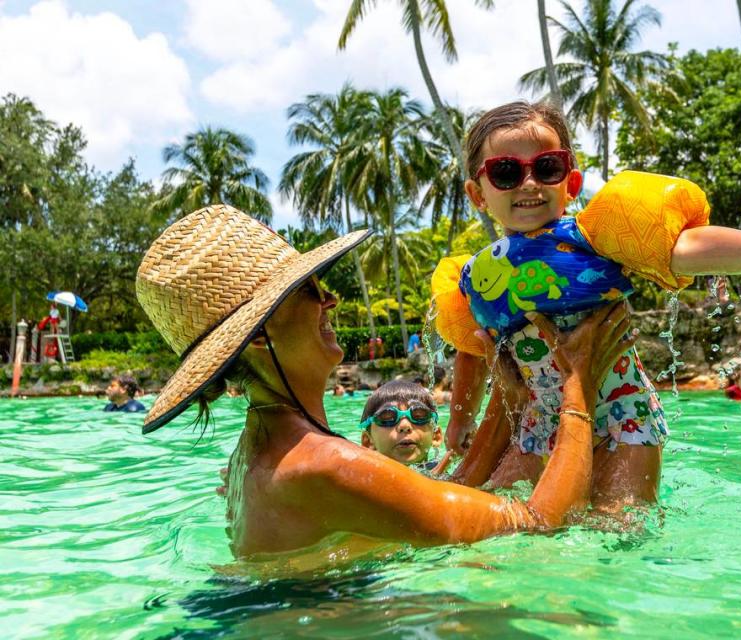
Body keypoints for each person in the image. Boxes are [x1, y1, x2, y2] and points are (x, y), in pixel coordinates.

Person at [137, 204, 634, 558]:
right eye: (310, 290)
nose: (329, 300)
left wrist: (511, 401)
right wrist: (577, 389)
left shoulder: (261, 451)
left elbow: (445, 493)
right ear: (261, 338)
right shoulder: (325, 465)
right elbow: (537, 525)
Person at [432, 100, 741, 507]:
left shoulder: (592, 237)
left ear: (571, 183)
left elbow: (684, 247)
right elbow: (472, 349)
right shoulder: (473, 278)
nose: (528, 182)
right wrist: (458, 421)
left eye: (547, 168)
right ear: (478, 193)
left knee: (619, 528)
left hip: (623, 413)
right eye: (506, 172)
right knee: (510, 526)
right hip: (539, 422)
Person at [360, 380, 442, 467]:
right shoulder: (360, 479)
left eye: (419, 416)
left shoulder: (451, 477)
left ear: (435, 436)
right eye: (387, 419)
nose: (405, 425)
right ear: (368, 442)